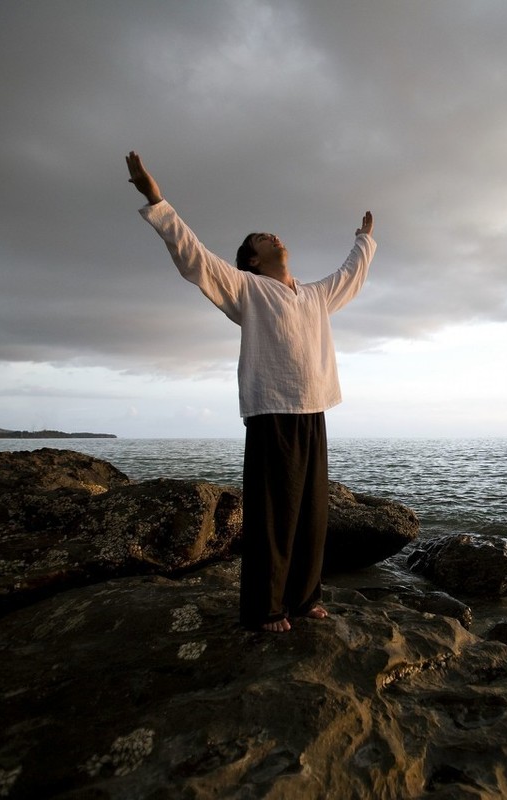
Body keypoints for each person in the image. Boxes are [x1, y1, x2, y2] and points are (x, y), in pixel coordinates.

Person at [125, 151, 376, 633]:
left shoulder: (315, 295)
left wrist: (363, 239)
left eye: (273, 233)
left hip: (314, 410)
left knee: (311, 513)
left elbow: (351, 275)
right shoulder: (245, 288)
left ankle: (303, 600)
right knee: (272, 514)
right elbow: (193, 256)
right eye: (262, 238)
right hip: (271, 412)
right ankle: (266, 608)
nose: (273, 235)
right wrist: (156, 199)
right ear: (252, 259)